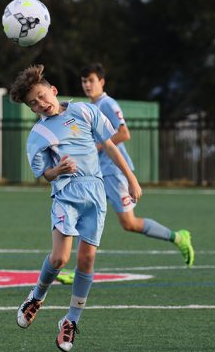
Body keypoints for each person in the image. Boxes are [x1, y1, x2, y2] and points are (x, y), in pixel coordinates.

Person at [10, 64, 142, 352]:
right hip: (66, 195)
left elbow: (109, 145)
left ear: (53, 90)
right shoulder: (39, 134)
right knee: (59, 258)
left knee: (87, 260)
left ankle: (70, 321)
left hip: (94, 194)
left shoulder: (84, 111)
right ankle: (36, 297)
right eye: (34, 103)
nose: (41, 104)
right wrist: (57, 170)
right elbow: (44, 174)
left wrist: (131, 178)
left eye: (42, 96)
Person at [68, 63, 194, 271]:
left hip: (114, 172)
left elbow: (124, 133)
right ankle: (80, 269)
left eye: (91, 80)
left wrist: (96, 147)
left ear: (101, 82)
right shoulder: (90, 106)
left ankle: (179, 237)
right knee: (85, 215)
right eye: (84, 81)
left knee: (129, 223)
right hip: (97, 174)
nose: (87, 85)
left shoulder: (108, 103)